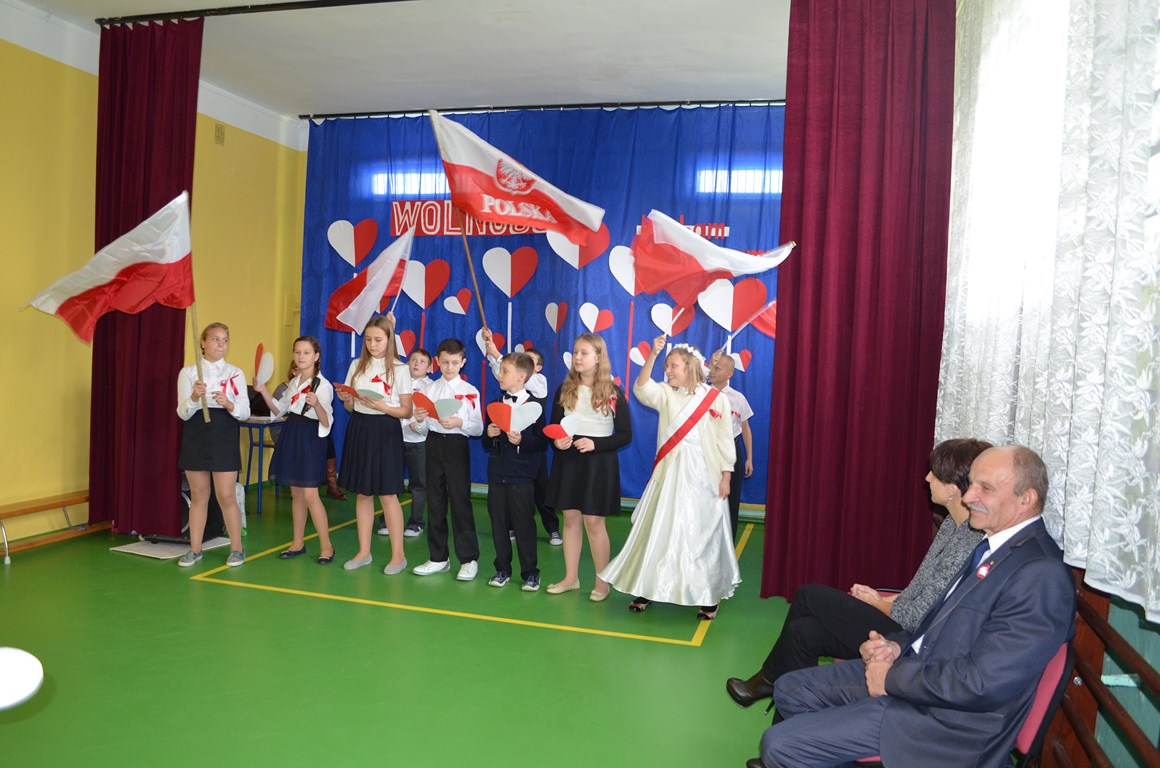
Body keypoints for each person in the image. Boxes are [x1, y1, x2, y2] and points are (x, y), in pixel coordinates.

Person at [752, 445, 1075, 768]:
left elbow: (982, 683)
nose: (968, 496)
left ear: (1026, 499)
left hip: (946, 724)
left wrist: (892, 678)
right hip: (918, 679)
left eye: (985, 488)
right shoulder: (993, 547)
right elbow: (937, 624)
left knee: (778, 746)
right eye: (971, 484)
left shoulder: (1040, 574)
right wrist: (894, 647)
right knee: (789, 689)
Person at [725, 438, 990, 709]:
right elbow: (921, 588)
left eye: (934, 473)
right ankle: (785, 715)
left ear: (953, 489)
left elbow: (916, 617)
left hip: (909, 639)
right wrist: (882, 598)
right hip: (902, 619)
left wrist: (874, 603)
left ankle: (769, 679)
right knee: (801, 632)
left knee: (807, 595)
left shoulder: (969, 542)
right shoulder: (952, 525)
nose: (927, 477)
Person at [600, 336, 739, 619]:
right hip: (669, 474)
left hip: (704, 476)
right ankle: (649, 587)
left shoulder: (717, 400)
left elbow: (725, 441)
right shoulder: (665, 393)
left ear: (689, 367)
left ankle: (707, 593)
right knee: (659, 530)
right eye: (667, 366)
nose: (668, 371)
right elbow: (641, 388)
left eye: (674, 366)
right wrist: (653, 354)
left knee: (701, 534)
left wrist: (726, 476)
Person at [545, 332, 632, 601]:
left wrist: (596, 444)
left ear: (598, 357)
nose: (577, 357)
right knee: (570, 519)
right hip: (569, 461)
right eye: (575, 352)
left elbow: (625, 435)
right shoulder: (564, 390)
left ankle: (602, 582)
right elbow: (554, 427)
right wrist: (558, 442)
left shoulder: (613, 393)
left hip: (598, 463)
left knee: (594, 522)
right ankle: (571, 578)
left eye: (584, 352)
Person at [335, 313, 412, 575]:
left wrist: (382, 406)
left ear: (389, 340)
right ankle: (364, 551)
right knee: (363, 493)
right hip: (360, 428)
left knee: (388, 494)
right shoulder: (356, 365)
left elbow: (406, 410)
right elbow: (349, 407)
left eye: (378, 339)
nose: (372, 344)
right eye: (368, 339)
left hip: (386, 429)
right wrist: (347, 398)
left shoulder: (400, 369)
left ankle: (398, 555)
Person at [252, 336, 337, 564]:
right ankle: (298, 543)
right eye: (297, 352)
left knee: (310, 495)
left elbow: (326, 422)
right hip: (292, 433)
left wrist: (317, 404)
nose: (301, 356)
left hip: (311, 438)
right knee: (297, 494)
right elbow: (279, 410)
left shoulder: (323, 386)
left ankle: (327, 546)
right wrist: (263, 391)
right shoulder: (293, 383)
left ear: (316, 356)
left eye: (306, 352)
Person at [176, 322, 250, 567]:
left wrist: (229, 404)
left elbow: (244, 412)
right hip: (196, 433)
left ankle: (237, 549)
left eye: (225, 340)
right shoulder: (188, 373)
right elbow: (182, 413)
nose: (221, 344)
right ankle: (195, 549)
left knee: (226, 495)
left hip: (224, 434)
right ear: (203, 342)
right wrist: (194, 397)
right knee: (199, 495)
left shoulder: (235, 373)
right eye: (215, 339)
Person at [411, 337, 484, 580]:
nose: (449, 367)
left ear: (463, 362)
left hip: (457, 445)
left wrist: (460, 422)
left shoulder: (469, 391)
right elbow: (422, 430)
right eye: (444, 362)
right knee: (435, 501)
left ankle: (468, 559)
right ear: (437, 362)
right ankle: (438, 557)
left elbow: (478, 428)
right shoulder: (428, 390)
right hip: (433, 444)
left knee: (460, 502)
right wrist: (419, 420)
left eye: (454, 362)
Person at [481, 329, 561, 545]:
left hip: (532, 449)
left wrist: (497, 353)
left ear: (536, 369)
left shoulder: (539, 382)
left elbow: (516, 374)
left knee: (541, 489)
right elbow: (502, 371)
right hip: (510, 455)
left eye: (528, 362)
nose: (524, 364)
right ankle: (512, 527)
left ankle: (552, 528)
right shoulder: (504, 393)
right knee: (509, 493)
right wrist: (491, 348)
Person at [482, 352, 548, 591]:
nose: (499, 375)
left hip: (522, 476)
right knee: (498, 523)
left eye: (504, 371)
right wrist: (488, 434)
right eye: (500, 371)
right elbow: (485, 443)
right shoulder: (496, 404)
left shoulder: (534, 406)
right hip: (497, 473)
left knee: (523, 524)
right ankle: (502, 569)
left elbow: (542, 442)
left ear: (521, 377)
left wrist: (522, 440)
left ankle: (531, 573)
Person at [380, 347, 432, 538]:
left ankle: (416, 523)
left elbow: (432, 415)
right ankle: (387, 521)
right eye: (413, 360)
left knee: (419, 484)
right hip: (395, 438)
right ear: (406, 363)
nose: (417, 364)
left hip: (419, 441)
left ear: (429, 368)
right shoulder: (397, 381)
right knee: (390, 481)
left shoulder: (431, 387)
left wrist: (418, 425)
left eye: (422, 361)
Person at [708, 351, 753, 539]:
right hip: (708, 451)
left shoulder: (738, 398)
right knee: (708, 498)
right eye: (711, 367)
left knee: (731, 500)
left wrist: (749, 458)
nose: (712, 371)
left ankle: (728, 543)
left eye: (717, 369)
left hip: (732, 452)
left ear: (729, 374)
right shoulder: (702, 395)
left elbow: (745, 428)